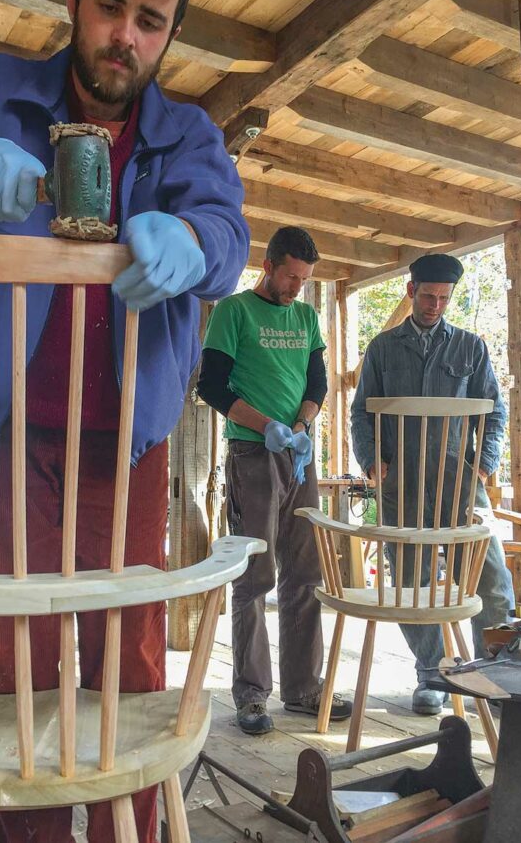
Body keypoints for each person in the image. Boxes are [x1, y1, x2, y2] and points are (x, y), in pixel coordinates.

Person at [0, 0, 249, 840]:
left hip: (133, 440)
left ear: (170, 33)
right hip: (6, 432)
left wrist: (194, 236)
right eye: (111, 7)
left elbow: (231, 232)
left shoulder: (186, 133)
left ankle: (133, 836)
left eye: (151, 21)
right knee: (15, 658)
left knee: (134, 660)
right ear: (72, 1)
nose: (127, 36)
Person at [197, 226, 353, 735]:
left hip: (299, 456)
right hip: (252, 452)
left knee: (306, 572)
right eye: (290, 276)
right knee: (255, 574)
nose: (296, 288)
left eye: (304, 280)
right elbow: (212, 385)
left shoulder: (306, 317)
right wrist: (267, 427)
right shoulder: (233, 312)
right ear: (269, 266)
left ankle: (305, 690)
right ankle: (251, 696)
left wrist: (303, 426)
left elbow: (317, 383)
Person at [351, 252, 515, 716]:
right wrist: (372, 462)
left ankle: (496, 674)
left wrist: (482, 465)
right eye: (428, 296)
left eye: (443, 299)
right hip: (399, 479)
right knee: (410, 578)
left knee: (490, 574)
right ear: (411, 291)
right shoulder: (382, 348)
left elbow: (495, 412)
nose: (435, 306)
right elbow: (360, 411)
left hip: (460, 479)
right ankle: (433, 672)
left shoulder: (470, 348)